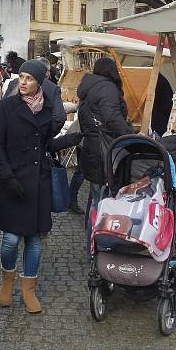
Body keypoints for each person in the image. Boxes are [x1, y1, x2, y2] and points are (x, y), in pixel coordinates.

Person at [0, 59, 60, 314]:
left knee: (33, 239)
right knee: (10, 239)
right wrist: (7, 175)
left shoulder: (47, 108)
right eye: (21, 77)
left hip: (37, 181)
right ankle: (7, 281)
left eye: (29, 78)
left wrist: (71, 139)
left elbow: (45, 144)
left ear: (39, 82)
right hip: (13, 180)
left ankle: (29, 289)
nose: (23, 82)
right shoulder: (8, 106)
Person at [74, 57, 135, 227]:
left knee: (95, 195)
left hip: (92, 145)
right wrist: (131, 134)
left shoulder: (92, 87)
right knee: (102, 200)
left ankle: (91, 235)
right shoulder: (107, 88)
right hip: (103, 148)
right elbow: (112, 117)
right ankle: (97, 241)